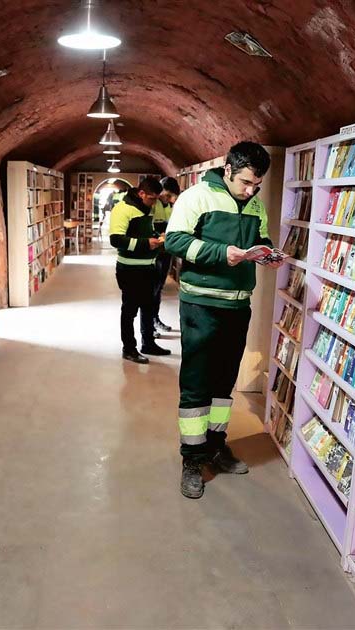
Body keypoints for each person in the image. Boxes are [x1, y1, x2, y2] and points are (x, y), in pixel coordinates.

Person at [165, 141, 283, 498]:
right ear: (229, 169)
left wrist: (266, 255)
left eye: (256, 184)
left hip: (237, 306)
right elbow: (174, 241)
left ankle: (216, 446)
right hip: (201, 304)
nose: (251, 190)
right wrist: (222, 253)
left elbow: (259, 239)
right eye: (246, 181)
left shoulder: (256, 205)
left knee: (224, 384)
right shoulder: (196, 197)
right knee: (197, 383)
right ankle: (192, 459)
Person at [109, 177, 171, 364]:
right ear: (141, 193)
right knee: (129, 310)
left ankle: (148, 343)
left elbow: (144, 231)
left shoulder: (146, 208)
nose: (154, 203)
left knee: (149, 307)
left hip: (149, 267)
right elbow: (116, 240)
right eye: (151, 198)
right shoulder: (123, 209)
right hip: (130, 269)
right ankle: (128, 348)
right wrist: (146, 243)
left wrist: (156, 237)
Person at [151, 176, 180, 334]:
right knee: (151, 289)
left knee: (159, 288)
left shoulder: (170, 206)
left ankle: (155, 319)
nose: (168, 199)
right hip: (153, 251)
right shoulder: (152, 204)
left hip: (166, 251)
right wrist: (158, 234)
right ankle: (149, 324)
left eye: (171, 196)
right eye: (167, 195)